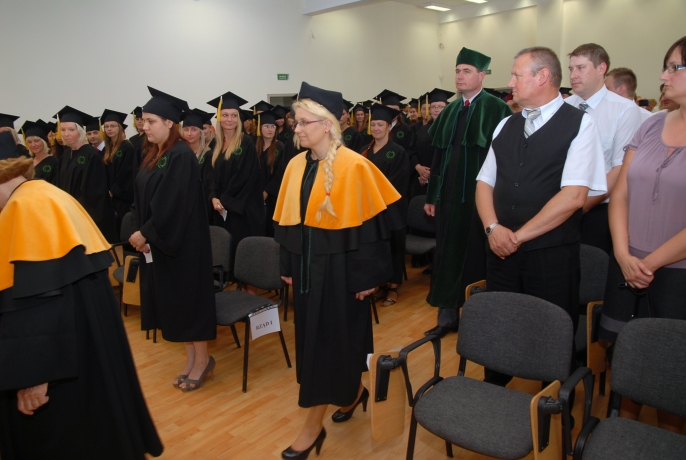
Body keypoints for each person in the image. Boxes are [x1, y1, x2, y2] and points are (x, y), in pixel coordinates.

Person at [0, 156, 163, 459]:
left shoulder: (25, 208)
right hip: (86, 346)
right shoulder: (47, 194)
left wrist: (33, 376)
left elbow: (39, 302)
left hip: (59, 366)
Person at [274, 82, 400, 459]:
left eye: (303, 122)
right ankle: (354, 393)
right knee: (321, 344)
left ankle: (312, 427)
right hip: (307, 272)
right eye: (296, 122)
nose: (296, 129)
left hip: (344, 273)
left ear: (327, 124)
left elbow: (373, 230)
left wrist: (367, 278)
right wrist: (288, 265)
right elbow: (287, 221)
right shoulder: (296, 165)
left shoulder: (355, 165)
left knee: (333, 345)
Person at [475, 46, 606, 386]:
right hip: (500, 251)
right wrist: (492, 228)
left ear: (542, 76)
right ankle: (494, 393)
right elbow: (484, 182)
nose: (510, 82)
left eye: (517, 75)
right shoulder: (506, 124)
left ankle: (553, 403)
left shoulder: (579, 124)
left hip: (550, 255)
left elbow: (574, 196)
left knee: (551, 335)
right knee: (500, 325)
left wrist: (516, 237)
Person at [598, 36, 686, 434]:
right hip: (627, 261)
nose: (663, 76)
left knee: (669, 372)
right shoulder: (651, 124)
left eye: (674, 67)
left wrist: (647, 263)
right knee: (625, 359)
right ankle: (621, 436)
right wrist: (622, 254)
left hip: (675, 274)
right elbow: (621, 194)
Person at [130, 87, 217, 392]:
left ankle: (203, 360)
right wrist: (140, 230)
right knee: (177, 305)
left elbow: (172, 203)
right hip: (164, 243)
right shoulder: (156, 153)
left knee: (189, 303)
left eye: (151, 121)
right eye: (143, 121)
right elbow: (141, 198)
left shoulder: (180, 155)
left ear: (169, 123)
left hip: (184, 246)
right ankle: (191, 359)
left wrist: (145, 232)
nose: (145, 126)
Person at [424, 47, 512, 338]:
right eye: (457, 71)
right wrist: (432, 197)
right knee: (446, 256)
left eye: (467, 71)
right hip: (449, 199)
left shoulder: (497, 109)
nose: (460, 76)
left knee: (476, 258)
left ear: (482, 75)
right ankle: (447, 318)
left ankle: (477, 321)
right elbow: (438, 157)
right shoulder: (450, 110)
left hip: (480, 201)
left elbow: (505, 160)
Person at [565, 44, 643, 255]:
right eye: (571, 69)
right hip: (560, 203)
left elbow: (620, 169)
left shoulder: (624, 110)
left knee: (591, 267)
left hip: (598, 208)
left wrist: (579, 207)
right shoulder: (564, 107)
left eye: (581, 68)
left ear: (601, 69)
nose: (573, 75)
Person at [207, 91, 265, 288]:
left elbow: (244, 177)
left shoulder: (245, 142)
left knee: (242, 252)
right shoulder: (215, 143)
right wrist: (213, 197)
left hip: (242, 209)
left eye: (233, 115)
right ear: (219, 117)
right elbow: (211, 175)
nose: (229, 119)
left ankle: (248, 290)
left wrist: (223, 199)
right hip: (222, 208)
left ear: (239, 118)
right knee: (226, 250)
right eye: (225, 115)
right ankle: (230, 287)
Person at [362, 104, 409, 307]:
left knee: (394, 247)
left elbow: (397, 184)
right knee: (378, 248)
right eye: (373, 124)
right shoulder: (365, 151)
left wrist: (374, 195)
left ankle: (393, 287)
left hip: (391, 209)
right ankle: (381, 283)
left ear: (389, 126)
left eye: (380, 124)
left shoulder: (398, 152)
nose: (376, 128)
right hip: (370, 210)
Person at [52, 106, 118, 242]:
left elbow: (93, 195)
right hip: (68, 215)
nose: (66, 134)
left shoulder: (91, 155)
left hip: (86, 219)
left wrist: (73, 212)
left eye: (71, 129)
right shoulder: (65, 156)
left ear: (80, 130)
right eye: (63, 130)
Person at [409, 88, 454, 199]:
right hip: (421, 180)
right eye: (433, 107)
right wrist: (418, 167)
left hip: (443, 181)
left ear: (447, 108)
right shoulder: (422, 130)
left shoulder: (452, 130)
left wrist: (430, 173)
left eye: (440, 107)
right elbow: (412, 150)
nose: (436, 110)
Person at [101, 109, 136, 234]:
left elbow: (126, 172)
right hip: (110, 196)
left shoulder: (126, 147)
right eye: (106, 126)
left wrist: (113, 190)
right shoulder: (107, 148)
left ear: (119, 128)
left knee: (121, 225)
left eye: (113, 126)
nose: (109, 129)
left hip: (122, 197)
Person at [253, 110, 286, 237]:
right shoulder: (254, 147)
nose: (270, 129)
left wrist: (267, 191)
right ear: (260, 128)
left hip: (273, 196)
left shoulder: (280, 147)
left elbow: (281, 173)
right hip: (256, 194)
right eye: (266, 126)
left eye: (273, 126)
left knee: (270, 228)